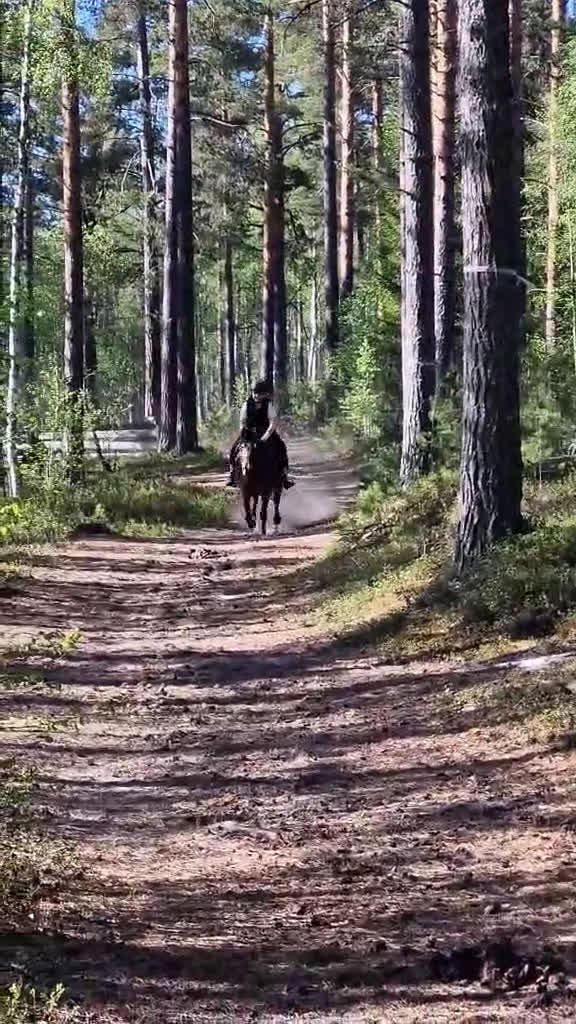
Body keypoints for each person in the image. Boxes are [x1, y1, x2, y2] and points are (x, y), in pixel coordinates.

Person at [227, 380, 295, 489]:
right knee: (233, 449)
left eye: (259, 393)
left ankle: (284, 476)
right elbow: (242, 421)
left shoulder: (268, 405)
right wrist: (244, 433)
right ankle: (232, 475)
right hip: (249, 432)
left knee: (281, 447)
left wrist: (266, 436)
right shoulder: (246, 404)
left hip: (266, 432)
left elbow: (273, 422)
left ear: (264, 394)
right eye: (255, 392)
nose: (256, 395)